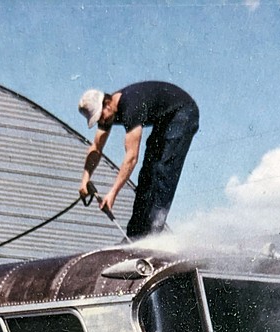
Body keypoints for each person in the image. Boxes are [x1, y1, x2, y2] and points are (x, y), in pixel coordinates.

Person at [78, 81, 199, 240]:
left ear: (107, 104)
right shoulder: (108, 114)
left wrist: (112, 193)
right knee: (147, 175)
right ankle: (135, 235)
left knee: (163, 170)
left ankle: (153, 234)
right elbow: (96, 147)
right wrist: (85, 179)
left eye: (101, 118)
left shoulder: (131, 106)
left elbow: (131, 157)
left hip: (183, 112)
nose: (102, 123)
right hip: (165, 118)